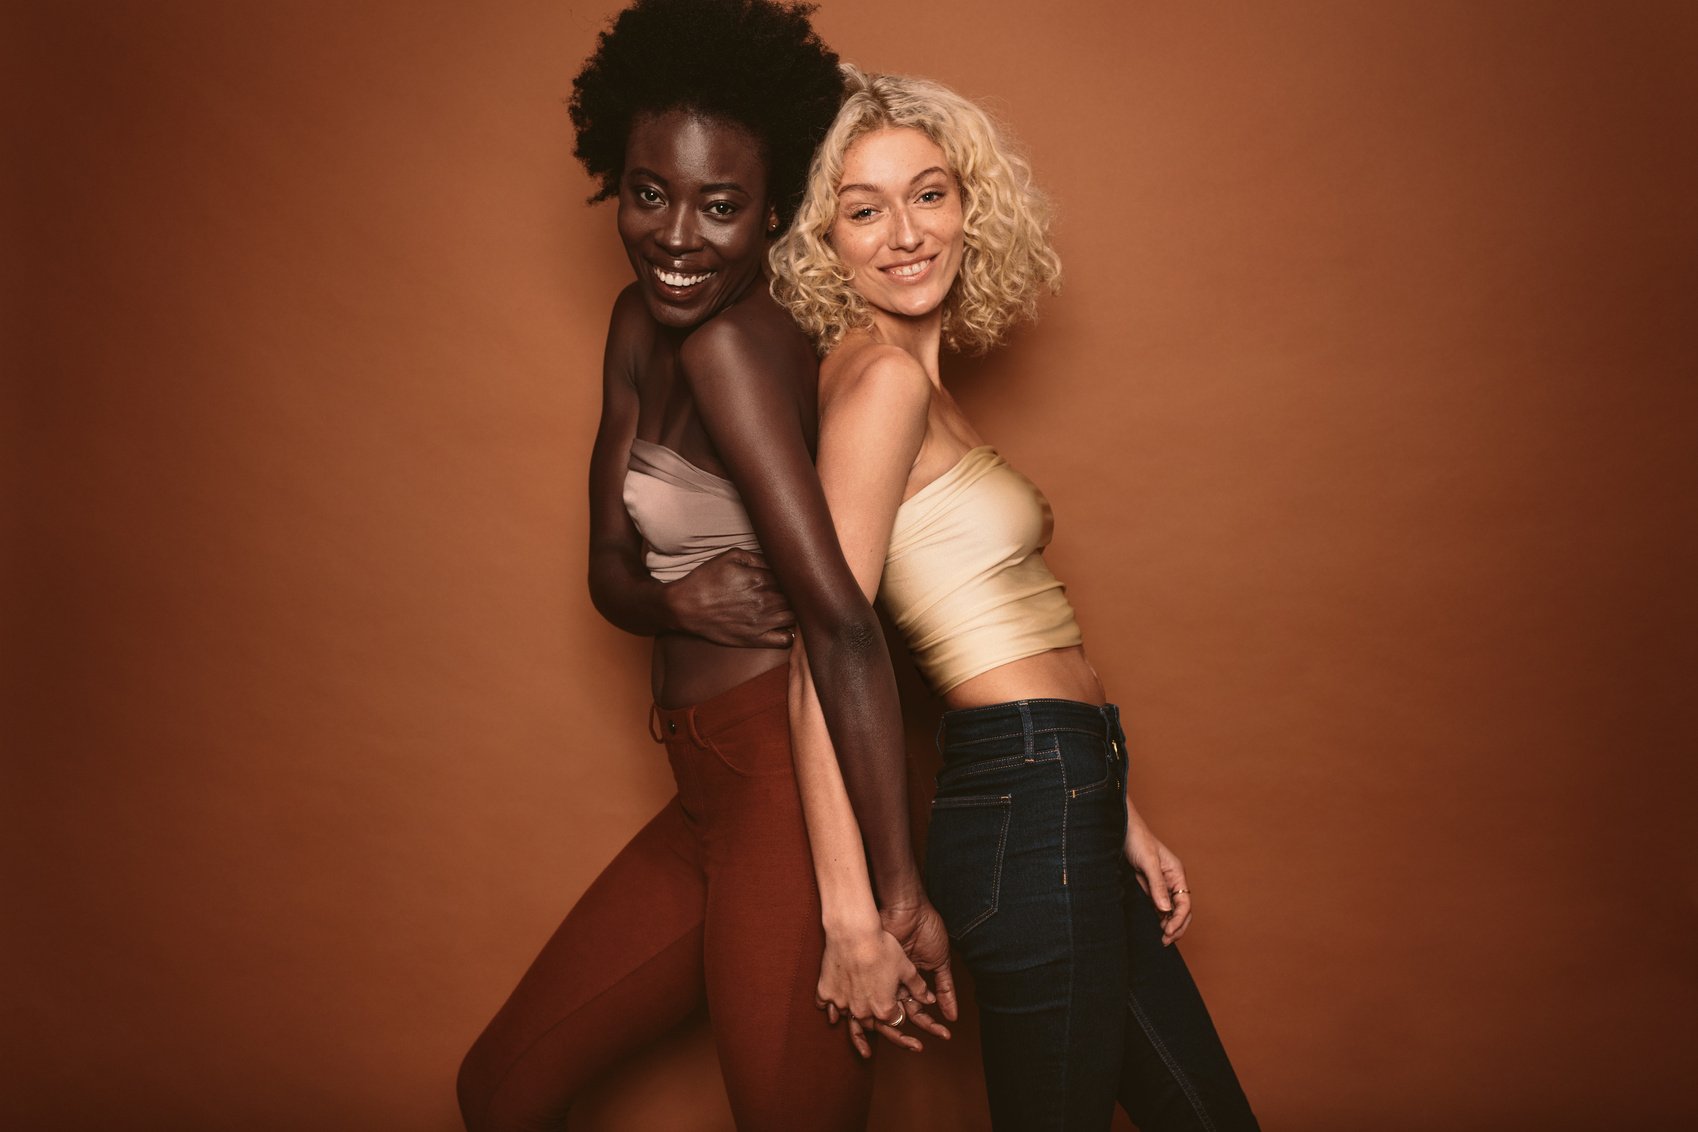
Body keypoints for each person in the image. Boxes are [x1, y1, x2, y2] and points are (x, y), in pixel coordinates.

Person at [455, 10, 953, 1131]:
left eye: (721, 206)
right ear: (614, 184)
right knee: (501, 1086)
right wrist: (671, 597)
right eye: (649, 193)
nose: (677, 236)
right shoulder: (639, 325)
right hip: (702, 793)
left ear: (772, 210)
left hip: (784, 785)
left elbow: (838, 623)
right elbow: (606, 568)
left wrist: (890, 889)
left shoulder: (739, 346)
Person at [766, 68, 1263, 1131]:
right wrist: (850, 916)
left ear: (970, 206)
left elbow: (1004, 609)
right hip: (1023, 805)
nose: (905, 232)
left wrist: (1116, 808)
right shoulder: (880, 385)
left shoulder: (915, 382)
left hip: (1064, 793)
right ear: (826, 240)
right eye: (864, 210)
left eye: (930, 193)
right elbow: (823, 653)